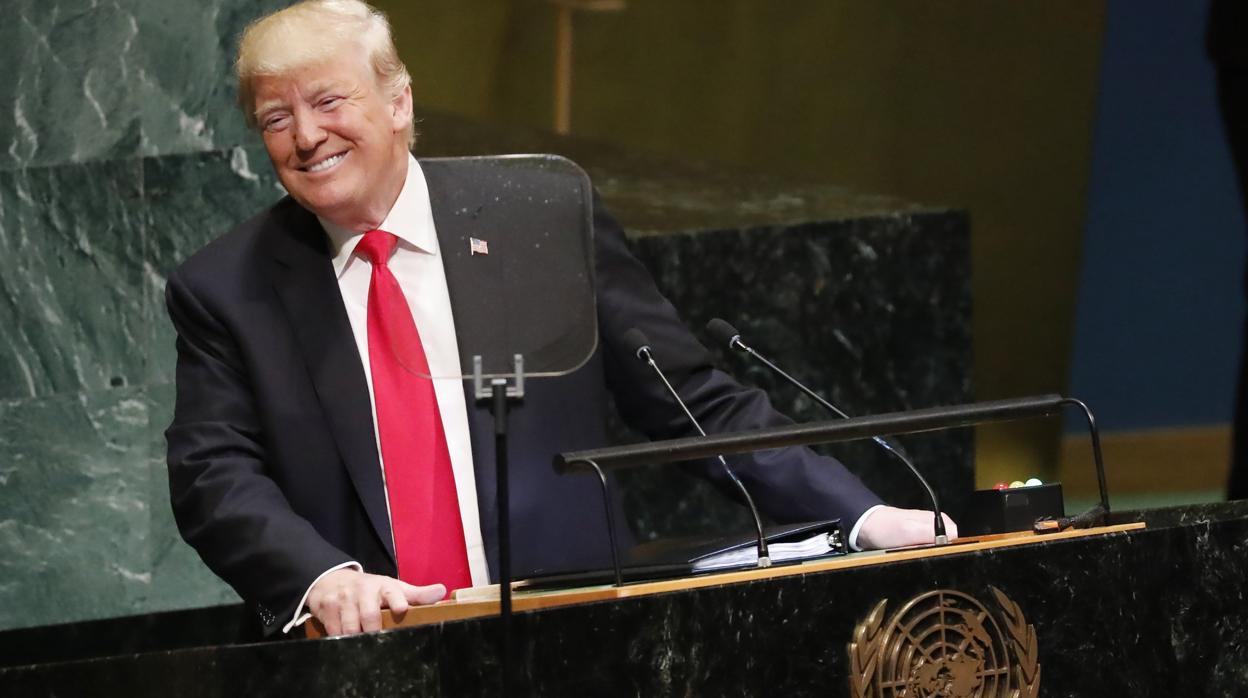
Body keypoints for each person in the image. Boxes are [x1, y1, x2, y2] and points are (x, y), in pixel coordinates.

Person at [164, 0, 956, 638]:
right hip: (367, 655)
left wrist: (861, 514)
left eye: (330, 101)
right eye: (276, 118)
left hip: (574, 638)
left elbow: (689, 402)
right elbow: (213, 475)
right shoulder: (227, 288)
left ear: (399, 100)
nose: (306, 136)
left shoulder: (538, 219)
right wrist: (320, 578)